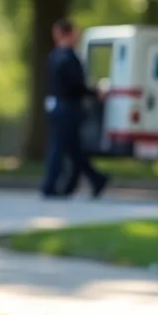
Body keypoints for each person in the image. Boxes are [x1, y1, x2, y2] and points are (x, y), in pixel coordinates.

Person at [41, 19, 109, 199]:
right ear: (69, 34)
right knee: (63, 148)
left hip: (59, 106)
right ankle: (54, 185)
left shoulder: (55, 56)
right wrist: (96, 93)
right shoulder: (69, 58)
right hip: (69, 108)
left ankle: (94, 179)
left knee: (71, 148)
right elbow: (76, 86)